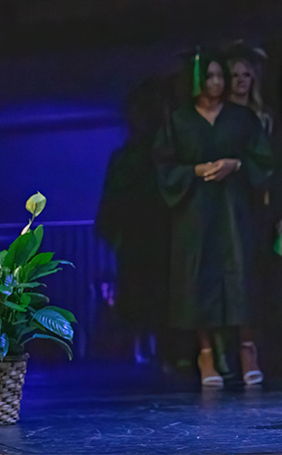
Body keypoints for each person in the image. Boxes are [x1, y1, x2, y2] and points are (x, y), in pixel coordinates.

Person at [154, 47, 273, 387]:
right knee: (197, 280)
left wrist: (236, 164)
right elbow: (163, 166)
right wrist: (194, 169)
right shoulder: (178, 120)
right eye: (211, 76)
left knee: (240, 276)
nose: (218, 82)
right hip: (195, 211)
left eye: (221, 75)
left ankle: (248, 350)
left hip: (233, 209)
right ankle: (205, 355)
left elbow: (265, 162)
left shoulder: (241, 117)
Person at [96, 77, 173, 369]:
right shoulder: (128, 158)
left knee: (159, 293)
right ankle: (147, 345)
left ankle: (157, 347)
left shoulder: (163, 154)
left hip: (157, 234)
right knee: (144, 294)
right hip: (139, 236)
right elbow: (112, 204)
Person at [224, 44, 277, 386]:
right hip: (231, 205)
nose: (241, 81)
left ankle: (257, 347)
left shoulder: (264, 115)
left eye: (247, 75)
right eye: (235, 75)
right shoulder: (222, 115)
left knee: (260, 275)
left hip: (262, 204)